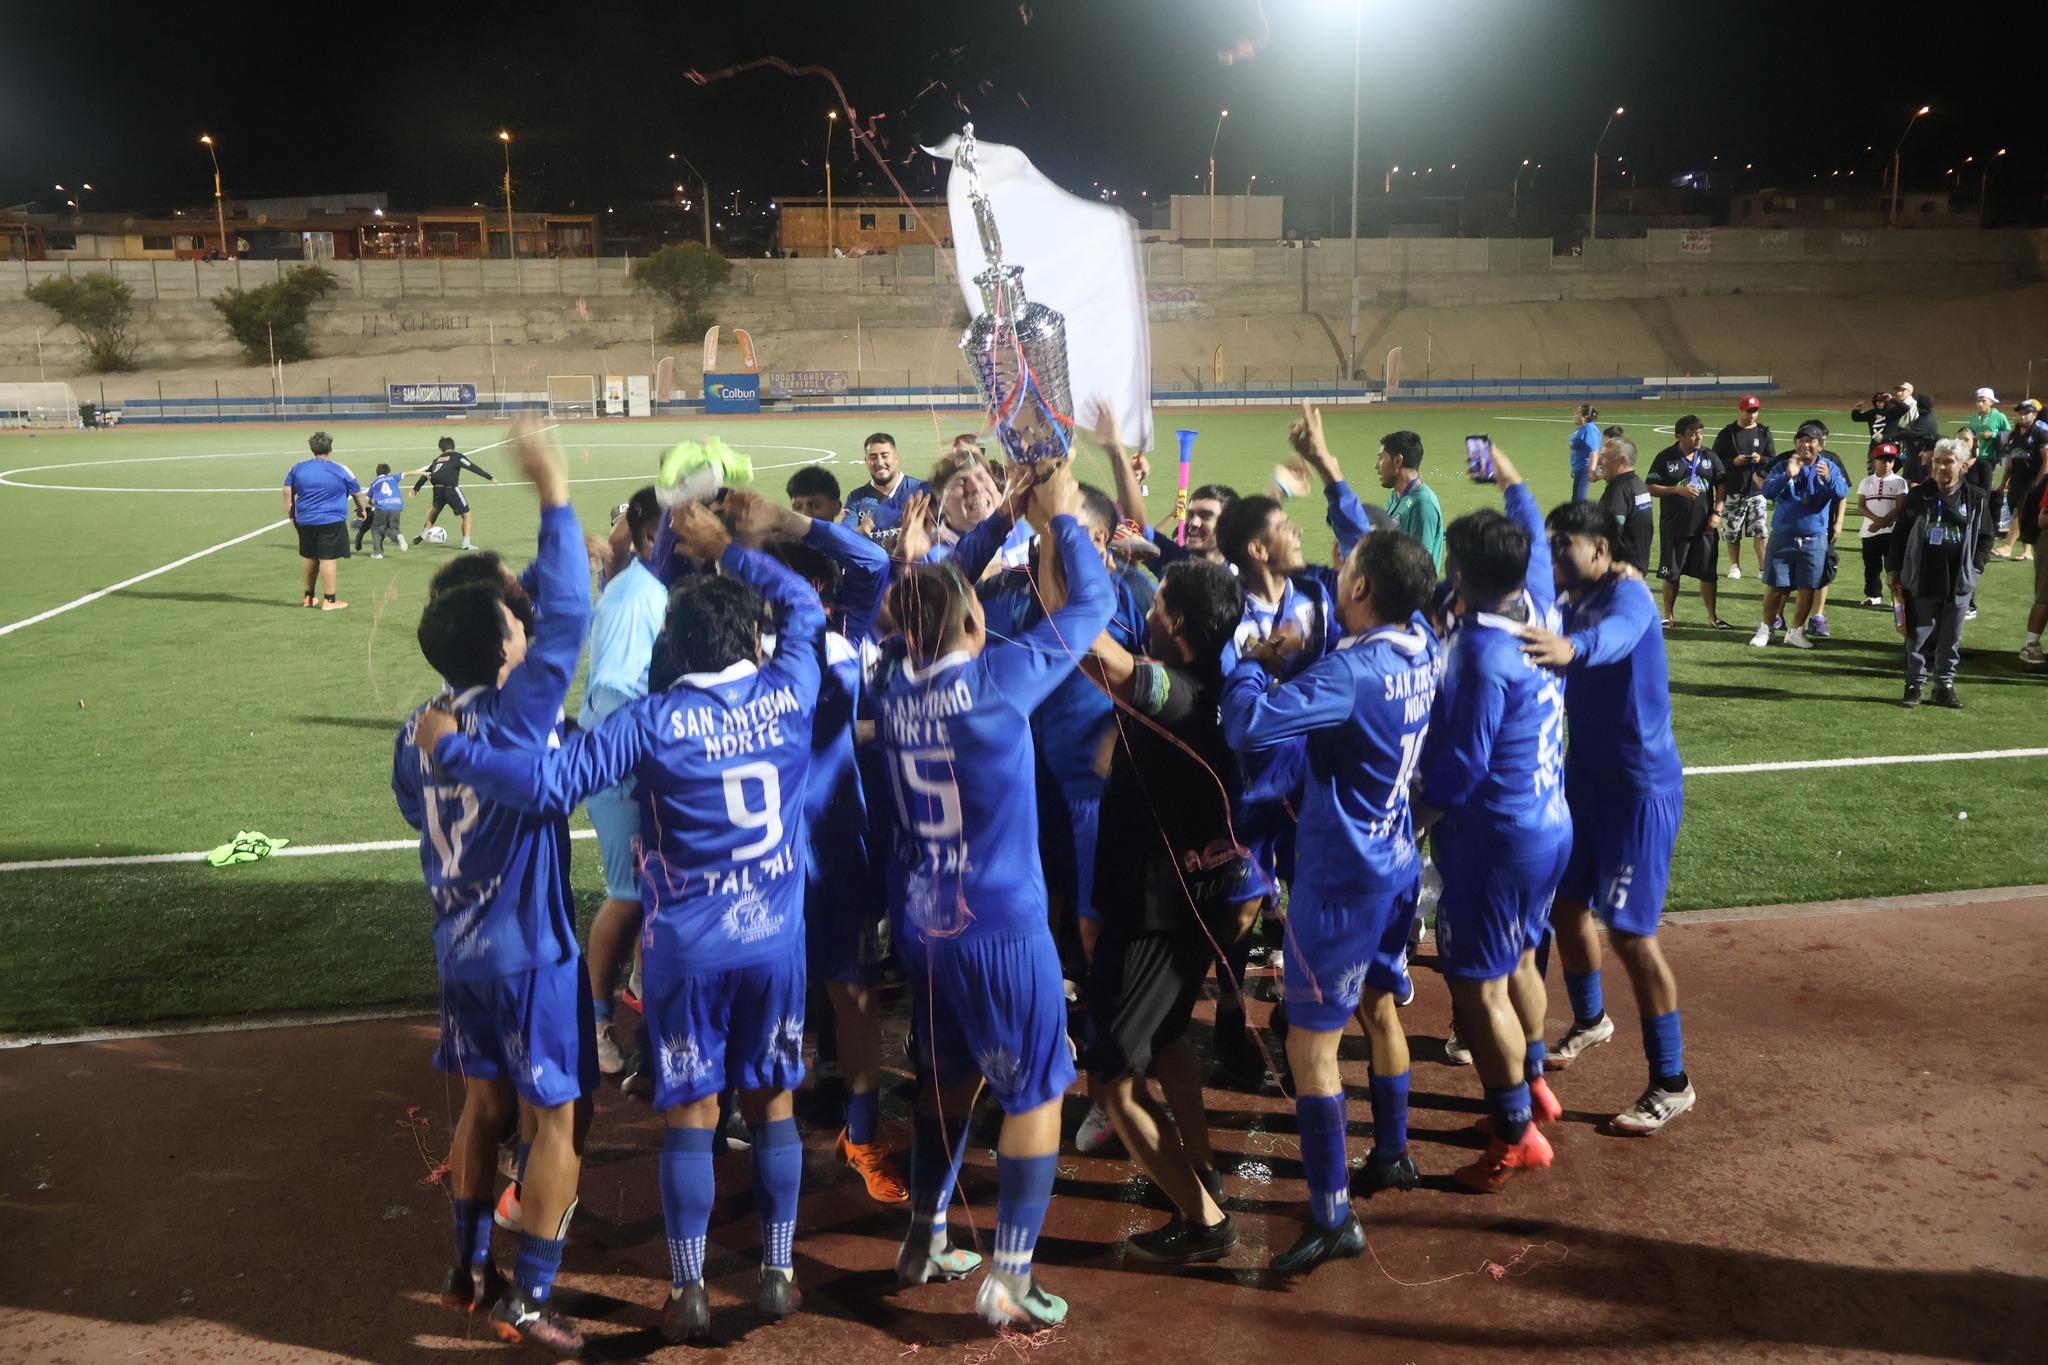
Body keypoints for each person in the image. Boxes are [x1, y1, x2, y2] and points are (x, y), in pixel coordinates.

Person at [419, 490, 828, 1344]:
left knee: (692, 1116)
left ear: (670, 649)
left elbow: (543, 786)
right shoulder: (791, 687)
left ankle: (688, 1289)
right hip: (777, 943)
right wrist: (736, 551)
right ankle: (781, 1270)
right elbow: (807, 605)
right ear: (751, 641)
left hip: (685, 951)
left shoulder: (650, 720)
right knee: (776, 1106)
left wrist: (450, 750)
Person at [873, 460, 1113, 1331]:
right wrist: (1062, 520)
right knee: (1037, 1093)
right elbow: (1091, 612)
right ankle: (1010, 1277)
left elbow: (918, 613)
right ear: (974, 617)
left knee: (947, 1085)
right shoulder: (997, 685)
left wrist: (935, 559)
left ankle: (924, 1235)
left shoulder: (892, 689)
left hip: (926, 926)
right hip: (1003, 930)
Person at [393, 420, 593, 1356]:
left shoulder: (414, 727)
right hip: (529, 954)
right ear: (501, 645)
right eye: (514, 620)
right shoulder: (520, 717)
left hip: (457, 947)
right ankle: (531, 1295)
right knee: (553, 1118)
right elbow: (572, 620)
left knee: (482, 1104)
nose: (527, 624)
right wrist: (554, 491)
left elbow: (414, 811)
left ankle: (466, 1266)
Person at [1221, 528, 1438, 1272]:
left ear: (1362, 590)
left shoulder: (1354, 672)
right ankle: (1395, 1151)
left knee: (1309, 1045)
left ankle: (1331, 1215)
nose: (1336, 574)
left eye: (1345, 569)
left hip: (1341, 878)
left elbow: (1249, 724)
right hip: (1400, 859)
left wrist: (1254, 665)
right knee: (1379, 1005)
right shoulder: (1422, 642)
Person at [1078, 559, 1261, 1264]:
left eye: (1156, 602)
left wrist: (1055, 534)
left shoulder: (1177, 692)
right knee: (1172, 1042)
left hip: (1154, 913)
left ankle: (1205, 1221)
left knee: (1115, 1084)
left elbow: (1098, 654)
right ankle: (1205, 1167)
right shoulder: (1219, 683)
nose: (1148, 609)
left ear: (1176, 621)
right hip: (1193, 903)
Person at [1414, 446, 1570, 1192]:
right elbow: (1532, 526)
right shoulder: (1534, 592)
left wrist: (1410, 813)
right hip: (1546, 821)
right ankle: (1534, 1084)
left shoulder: (1478, 651)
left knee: (1476, 988)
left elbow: (1463, 766)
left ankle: (1515, 1129)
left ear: (1461, 571)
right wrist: (1509, 473)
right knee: (1520, 963)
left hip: (1495, 835)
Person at [1517, 500, 1694, 1136]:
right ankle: (1591, 1020)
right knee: (1564, 905)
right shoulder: (1573, 593)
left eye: (1565, 545)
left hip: (1637, 790)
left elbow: (1613, 639)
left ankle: (1672, 1080)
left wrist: (1573, 648)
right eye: (1551, 544)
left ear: (1601, 547)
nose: (1555, 556)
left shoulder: (1629, 597)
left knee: (1631, 933)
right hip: (1582, 779)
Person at [578, 489, 669, 1078]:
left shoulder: (644, 584)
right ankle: (596, 1022)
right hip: (624, 769)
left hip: (639, 762)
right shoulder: (642, 595)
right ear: (647, 537)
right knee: (630, 894)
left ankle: (640, 990)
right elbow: (613, 693)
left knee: (653, 892)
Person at [1888, 439, 1995, 708]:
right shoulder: (1918, 495)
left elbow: (1985, 538)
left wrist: (1976, 569)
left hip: (1958, 579)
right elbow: (1899, 535)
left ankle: (1944, 686)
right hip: (1921, 576)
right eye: (1937, 461)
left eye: (1948, 461)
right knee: (1917, 636)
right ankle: (1914, 685)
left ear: (1962, 466)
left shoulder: (1975, 497)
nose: (1941, 467)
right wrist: (1893, 570)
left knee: (1950, 638)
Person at [1751, 421, 1849, 650]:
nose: (1806, 445)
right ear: (1796, 443)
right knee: (1775, 586)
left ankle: (1795, 631)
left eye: (1811, 441)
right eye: (1802, 440)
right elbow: (1767, 491)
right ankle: (1766, 629)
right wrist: (1787, 475)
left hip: (1814, 538)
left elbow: (1841, 493)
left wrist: (1828, 479)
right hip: (1784, 536)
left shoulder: (1829, 467)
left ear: (1820, 445)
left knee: (1807, 587)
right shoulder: (1783, 465)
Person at [1645, 416, 1729, 629]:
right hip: (1675, 526)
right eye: (1693, 433)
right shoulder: (1666, 457)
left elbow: (1722, 484)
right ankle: (1668, 617)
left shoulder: (1709, 456)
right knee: (1671, 574)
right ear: (1679, 436)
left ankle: (1712, 617)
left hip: (1704, 527)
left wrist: (1717, 512)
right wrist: (1677, 490)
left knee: (1708, 574)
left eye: (1700, 432)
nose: (1698, 437)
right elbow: (1651, 487)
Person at [282, 430, 367, 610]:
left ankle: (308, 597)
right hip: (331, 519)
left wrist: (291, 515)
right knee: (327, 558)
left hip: (305, 519)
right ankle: (330, 600)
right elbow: (357, 494)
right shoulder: (340, 469)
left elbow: (287, 492)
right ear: (330, 448)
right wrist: (362, 511)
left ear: (312, 448)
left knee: (309, 556)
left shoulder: (297, 468)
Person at [1714, 396, 1776, 580]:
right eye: (1748, 411)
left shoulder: (1764, 432)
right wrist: (1733, 461)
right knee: (1732, 531)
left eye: (1755, 411)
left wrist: (1761, 460)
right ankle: (1735, 566)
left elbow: (1773, 459)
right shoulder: (1727, 433)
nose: (1752, 415)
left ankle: (1763, 567)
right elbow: (1715, 461)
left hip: (1757, 490)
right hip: (1734, 489)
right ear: (1740, 411)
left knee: (1760, 529)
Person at [409, 437, 495, 550]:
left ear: (441, 448)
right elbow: (472, 467)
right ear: (453, 446)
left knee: (434, 511)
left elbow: (426, 474)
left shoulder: (436, 460)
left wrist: (416, 488)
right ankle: (466, 544)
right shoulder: (457, 457)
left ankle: (422, 535)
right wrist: (490, 477)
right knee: (467, 515)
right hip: (451, 489)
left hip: (437, 489)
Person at [1376, 430, 1444, 571]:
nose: (1377, 465)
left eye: (1381, 459)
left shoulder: (1423, 505)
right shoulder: (1395, 497)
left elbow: (1419, 566)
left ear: (1398, 460)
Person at [842, 432, 931, 536]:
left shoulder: (920, 490)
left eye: (885, 456)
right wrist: (862, 529)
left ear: (896, 458)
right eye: (873, 457)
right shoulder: (856, 498)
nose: (879, 463)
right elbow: (843, 539)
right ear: (866, 461)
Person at [1856, 445, 1910, 611]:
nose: (1887, 464)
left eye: (1890, 460)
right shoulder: (1866, 482)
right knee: (1871, 566)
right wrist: (1876, 521)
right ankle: (1873, 595)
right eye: (1883, 460)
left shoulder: (1899, 482)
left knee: (1894, 567)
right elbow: (1861, 505)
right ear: (1875, 461)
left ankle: (1897, 598)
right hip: (1869, 531)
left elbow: (1900, 505)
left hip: (1892, 532)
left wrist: (1882, 522)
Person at [1593, 436, 1654, 574]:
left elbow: (1609, 533)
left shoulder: (1618, 490)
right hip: (1637, 568)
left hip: (1619, 572)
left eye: (1604, 457)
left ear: (1622, 460)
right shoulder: (1639, 485)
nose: (1598, 462)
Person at [1997, 399, 2046, 563]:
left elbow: (2047, 461)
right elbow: (2010, 461)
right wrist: (2004, 482)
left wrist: (2038, 484)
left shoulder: (2041, 435)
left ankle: (2007, 547)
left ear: (2034, 414)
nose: (2023, 416)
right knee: (2018, 513)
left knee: (2019, 512)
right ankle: (2027, 551)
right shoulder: (2013, 436)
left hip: (2031, 482)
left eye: (2027, 413)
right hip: (2015, 482)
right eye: (2021, 413)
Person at [1968, 389, 2013, 534]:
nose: (1980, 404)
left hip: (1990, 457)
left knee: (1986, 489)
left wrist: (1993, 434)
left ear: (1991, 402)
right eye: (1978, 401)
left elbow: (2009, 434)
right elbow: (1970, 433)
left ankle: (1988, 522)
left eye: (1983, 401)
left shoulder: (1999, 416)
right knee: (1975, 485)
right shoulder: (1975, 417)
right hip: (1974, 456)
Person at [1568, 403, 1602, 503]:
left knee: (1579, 500)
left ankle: (1583, 518)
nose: (1574, 415)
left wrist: (1591, 470)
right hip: (1579, 467)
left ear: (1585, 417)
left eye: (1577, 413)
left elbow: (1594, 451)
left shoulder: (1589, 430)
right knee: (1576, 499)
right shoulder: (1582, 428)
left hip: (1585, 468)